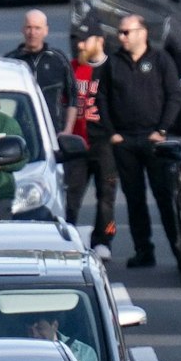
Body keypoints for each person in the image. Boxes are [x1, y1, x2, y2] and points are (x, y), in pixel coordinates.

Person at [95, 14, 181, 268]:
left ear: (142, 32)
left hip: (154, 140)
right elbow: (101, 98)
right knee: (134, 198)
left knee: (164, 196)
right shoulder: (113, 63)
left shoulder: (160, 60)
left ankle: (178, 248)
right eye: (120, 32)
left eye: (126, 32)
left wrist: (163, 130)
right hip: (125, 140)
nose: (121, 37)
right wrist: (112, 132)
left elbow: (174, 96)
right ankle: (144, 250)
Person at [65, 29, 117, 258]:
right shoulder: (72, 67)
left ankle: (104, 239)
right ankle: (66, 237)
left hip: (104, 143)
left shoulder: (112, 68)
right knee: (70, 195)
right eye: (77, 42)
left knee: (106, 195)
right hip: (77, 143)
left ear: (99, 41)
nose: (80, 47)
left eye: (85, 41)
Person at [4, 10, 74, 129]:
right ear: (23, 30)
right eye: (29, 27)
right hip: (21, 131)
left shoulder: (58, 59)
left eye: (37, 28)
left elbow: (73, 97)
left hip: (54, 131)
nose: (32, 33)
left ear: (46, 30)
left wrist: (67, 130)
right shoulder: (11, 62)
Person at [23, 311, 99, 361]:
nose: (34, 335)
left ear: (55, 326)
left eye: (40, 328)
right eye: (30, 330)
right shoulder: (22, 354)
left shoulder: (85, 353)